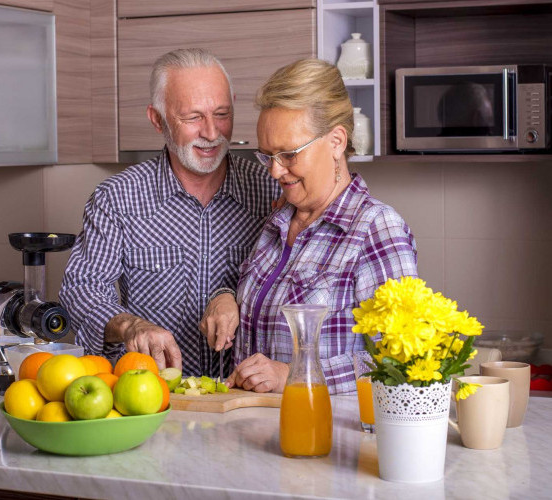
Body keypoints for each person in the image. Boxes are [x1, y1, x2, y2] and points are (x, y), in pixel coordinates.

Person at [200, 59, 418, 394]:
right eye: (267, 155)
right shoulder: (277, 222)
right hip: (251, 430)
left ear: (336, 141)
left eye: (288, 155)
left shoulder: (376, 229)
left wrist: (293, 374)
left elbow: (400, 361)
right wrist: (226, 297)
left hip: (327, 436)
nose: (274, 172)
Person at [59, 48, 281, 376]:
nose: (211, 133)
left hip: (247, 400)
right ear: (157, 119)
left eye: (222, 114)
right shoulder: (117, 199)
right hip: (151, 401)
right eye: (193, 117)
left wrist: (231, 295)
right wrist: (130, 325)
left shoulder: (272, 191)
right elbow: (82, 288)